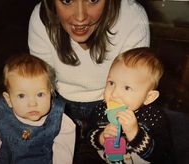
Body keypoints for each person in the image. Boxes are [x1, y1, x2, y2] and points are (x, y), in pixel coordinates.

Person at [28, 0, 150, 142]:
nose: (80, 17)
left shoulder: (132, 17)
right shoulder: (41, 17)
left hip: (113, 104)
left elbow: (133, 89)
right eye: (67, 1)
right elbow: (38, 86)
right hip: (55, 101)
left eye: (93, 0)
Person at [0, 54, 76, 164]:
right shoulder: (3, 116)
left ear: (50, 93)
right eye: (21, 96)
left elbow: (63, 155)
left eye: (40, 94)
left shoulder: (61, 123)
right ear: (9, 100)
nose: (32, 103)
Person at [88, 47, 174, 163]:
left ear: (149, 97)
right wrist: (101, 137)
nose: (114, 94)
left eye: (127, 87)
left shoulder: (154, 117)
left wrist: (135, 133)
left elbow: (162, 154)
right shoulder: (101, 109)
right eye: (111, 83)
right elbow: (88, 135)